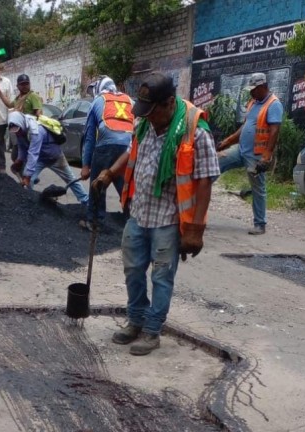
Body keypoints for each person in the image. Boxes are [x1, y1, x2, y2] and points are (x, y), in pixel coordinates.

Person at [93, 72, 219, 356]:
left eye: (153, 112)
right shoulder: (145, 123)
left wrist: (195, 230)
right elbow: (132, 150)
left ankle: (152, 331)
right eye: (145, 112)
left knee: (162, 277)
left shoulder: (194, 131)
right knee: (133, 270)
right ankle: (135, 321)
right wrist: (110, 172)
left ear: (169, 104)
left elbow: (205, 180)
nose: (148, 117)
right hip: (139, 212)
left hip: (168, 219)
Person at [217, 72, 283, 235]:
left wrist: (266, 156)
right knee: (215, 165)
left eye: (254, 89)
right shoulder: (253, 102)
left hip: (256, 154)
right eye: (251, 90)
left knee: (258, 188)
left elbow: (274, 132)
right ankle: (198, 207)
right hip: (241, 149)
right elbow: (246, 127)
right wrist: (227, 141)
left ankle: (260, 224)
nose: (251, 92)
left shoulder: (274, 104)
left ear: (263, 87)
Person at [79, 75, 134, 231]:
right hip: (127, 147)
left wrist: (85, 166)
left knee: (98, 184)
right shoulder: (129, 100)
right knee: (125, 186)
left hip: (105, 145)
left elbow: (89, 137)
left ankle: (94, 220)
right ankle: (133, 221)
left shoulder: (98, 101)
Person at [8, 111, 88, 205]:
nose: (18, 132)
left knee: (70, 178)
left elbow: (33, 153)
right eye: (15, 131)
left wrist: (28, 176)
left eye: (18, 130)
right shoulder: (20, 132)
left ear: (21, 123)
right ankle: (30, 203)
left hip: (54, 156)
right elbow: (22, 147)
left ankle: (86, 201)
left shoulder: (36, 130)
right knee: (29, 181)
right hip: (40, 159)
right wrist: (19, 160)